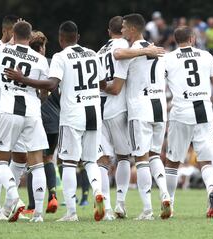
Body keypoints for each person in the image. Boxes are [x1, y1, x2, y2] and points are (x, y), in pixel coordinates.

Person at [5, 20, 105, 222]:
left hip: (73, 114)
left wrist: (23, 79)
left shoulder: (60, 57)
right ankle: (97, 192)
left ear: (61, 39)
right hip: (94, 111)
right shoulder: (93, 54)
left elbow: (51, 85)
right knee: (90, 160)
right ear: (78, 37)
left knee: (68, 162)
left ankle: (71, 213)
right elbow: (102, 82)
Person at [100, 13, 171, 220]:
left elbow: (116, 86)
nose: (121, 31)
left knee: (140, 159)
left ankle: (147, 209)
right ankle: (165, 195)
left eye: (123, 28)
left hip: (139, 108)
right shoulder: (158, 51)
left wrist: (102, 85)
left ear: (131, 30)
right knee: (155, 155)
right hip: (160, 107)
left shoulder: (129, 54)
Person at [0, 21, 50, 223]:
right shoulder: (40, 59)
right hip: (33, 113)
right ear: (31, 36)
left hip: (8, 111)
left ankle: (14, 196)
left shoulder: (1, 51)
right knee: (37, 164)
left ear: (13, 34)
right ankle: (39, 214)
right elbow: (44, 93)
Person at [163, 26, 213, 218]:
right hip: (204, 112)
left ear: (176, 40)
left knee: (172, 162)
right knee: (206, 162)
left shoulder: (168, 58)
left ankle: (169, 203)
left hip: (180, 112)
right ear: (192, 39)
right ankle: (212, 192)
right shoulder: (206, 56)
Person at [0, 15, 29, 221]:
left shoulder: (19, 51)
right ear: (7, 32)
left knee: (21, 157)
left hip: (18, 110)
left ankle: (8, 206)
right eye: (15, 33)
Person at [96, 16, 131, 220]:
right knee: (124, 157)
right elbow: (117, 88)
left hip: (99, 107)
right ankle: (120, 204)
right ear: (125, 30)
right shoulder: (125, 45)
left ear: (109, 31)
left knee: (102, 159)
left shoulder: (101, 50)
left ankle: (106, 207)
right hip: (117, 108)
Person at [22, 31, 59, 215]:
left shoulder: (25, 62)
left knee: (33, 161)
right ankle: (52, 195)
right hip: (54, 120)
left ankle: (31, 206)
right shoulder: (52, 64)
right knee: (48, 159)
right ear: (43, 47)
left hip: (35, 117)